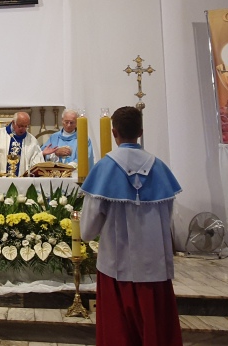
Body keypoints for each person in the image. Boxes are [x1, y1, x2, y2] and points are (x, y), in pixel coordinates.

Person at [79, 107, 183, 346]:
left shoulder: (104, 169)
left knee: (118, 335)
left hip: (116, 269)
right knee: (156, 333)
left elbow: (87, 232)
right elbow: (168, 221)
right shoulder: (160, 169)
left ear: (114, 132)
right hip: (155, 271)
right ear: (141, 132)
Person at [0, 111, 43, 176]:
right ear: (13, 123)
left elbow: (36, 163)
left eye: (25, 126)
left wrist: (42, 154)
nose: (23, 129)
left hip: (22, 180)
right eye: (20, 126)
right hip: (0, 178)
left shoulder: (32, 140)